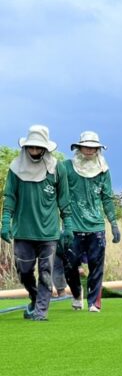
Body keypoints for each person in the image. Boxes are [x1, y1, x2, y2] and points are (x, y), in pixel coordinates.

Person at [0, 125, 73, 320]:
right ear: (26, 147)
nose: (34, 151)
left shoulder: (58, 169)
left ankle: (41, 311)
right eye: (31, 148)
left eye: (38, 148)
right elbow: (9, 197)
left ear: (45, 149)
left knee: (46, 272)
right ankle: (34, 297)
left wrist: (69, 225)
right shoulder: (16, 168)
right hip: (23, 229)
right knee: (24, 272)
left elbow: (64, 200)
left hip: (48, 231)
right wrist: (5, 221)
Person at [62, 131, 121, 313]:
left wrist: (113, 223)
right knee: (70, 265)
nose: (89, 150)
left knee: (96, 265)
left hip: (96, 226)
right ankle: (76, 294)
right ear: (79, 147)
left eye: (93, 147)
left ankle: (94, 303)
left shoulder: (103, 170)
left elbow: (107, 198)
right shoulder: (66, 168)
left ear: (98, 149)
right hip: (73, 226)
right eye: (86, 146)